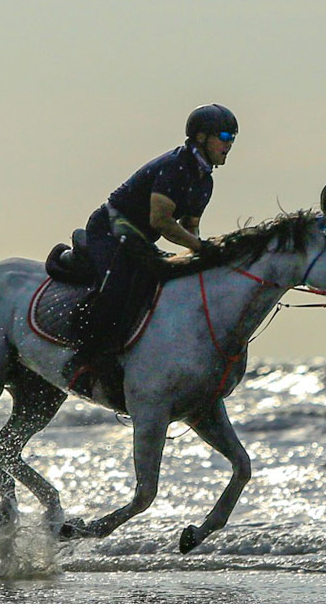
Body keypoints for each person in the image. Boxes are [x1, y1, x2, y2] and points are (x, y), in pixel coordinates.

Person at [65, 103, 238, 397]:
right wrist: (200, 248)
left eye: (233, 136)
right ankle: (84, 360)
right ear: (200, 137)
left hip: (138, 239)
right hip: (109, 230)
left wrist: (200, 256)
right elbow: (161, 221)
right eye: (223, 135)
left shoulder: (204, 180)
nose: (229, 143)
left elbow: (189, 227)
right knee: (119, 286)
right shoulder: (176, 168)